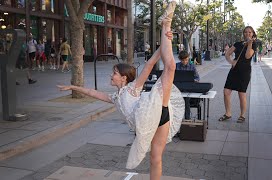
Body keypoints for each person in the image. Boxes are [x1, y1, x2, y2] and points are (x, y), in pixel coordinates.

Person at [58, 1, 183, 179]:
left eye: (114, 73)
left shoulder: (133, 88)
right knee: (155, 159)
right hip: (148, 122)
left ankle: (166, 24)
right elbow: (93, 93)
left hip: (157, 110)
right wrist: (73, 86)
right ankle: (165, 27)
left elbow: (149, 65)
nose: (111, 75)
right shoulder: (115, 98)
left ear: (124, 78)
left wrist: (165, 41)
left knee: (170, 67)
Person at [218, 26, 257, 123]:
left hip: (244, 72)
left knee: (241, 94)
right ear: (243, 34)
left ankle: (242, 115)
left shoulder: (254, 44)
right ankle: (228, 113)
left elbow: (248, 56)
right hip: (234, 70)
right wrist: (231, 62)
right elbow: (227, 53)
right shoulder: (238, 44)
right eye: (245, 32)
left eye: (249, 32)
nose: (247, 34)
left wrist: (249, 44)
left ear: (253, 34)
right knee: (226, 91)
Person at [176, 50, 200, 120]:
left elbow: (197, 77)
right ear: (180, 59)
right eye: (183, 60)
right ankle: (176, 119)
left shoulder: (192, 66)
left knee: (186, 100)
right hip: (179, 88)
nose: (185, 62)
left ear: (188, 58)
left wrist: (195, 80)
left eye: (186, 60)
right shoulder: (176, 66)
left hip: (188, 87)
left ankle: (187, 119)